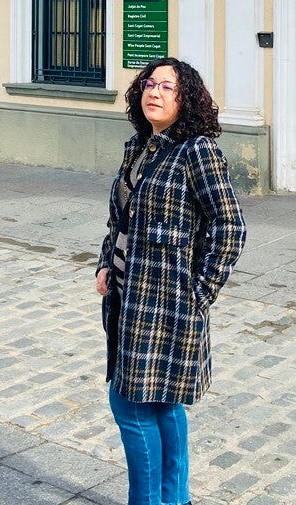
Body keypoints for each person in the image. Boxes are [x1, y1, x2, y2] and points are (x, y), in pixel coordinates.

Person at [96, 57, 246, 505]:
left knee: (129, 403)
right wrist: (105, 263)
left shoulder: (196, 151)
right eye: (149, 83)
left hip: (166, 304)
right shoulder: (140, 148)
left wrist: (199, 292)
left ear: (186, 100)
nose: (154, 92)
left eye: (167, 87)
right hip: (127, 297)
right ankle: (175, 499)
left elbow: (230, 226)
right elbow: (120, 220)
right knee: (161, 402)